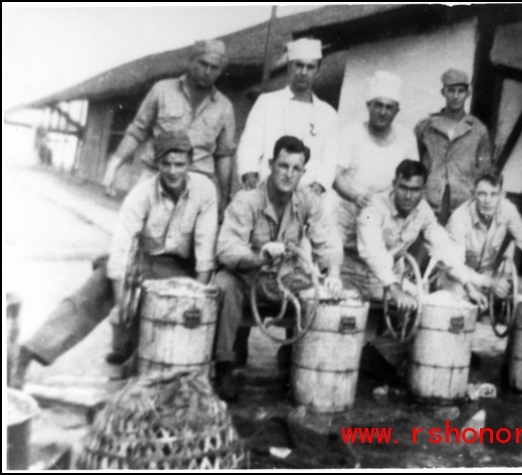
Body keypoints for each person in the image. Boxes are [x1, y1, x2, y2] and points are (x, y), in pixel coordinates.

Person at [13, 131, 219, 387]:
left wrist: (195, 296)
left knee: (181, 312)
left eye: (180, 164)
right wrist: (121, 304)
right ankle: (29, 352)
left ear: (190, 162)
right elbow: (121, 251)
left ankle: (157, 372)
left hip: (180, 269)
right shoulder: (140, 195)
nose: (173, 171)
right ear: (157, 164)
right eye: (166, 164)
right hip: (142, 260)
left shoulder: (205, 190)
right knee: (95, 290)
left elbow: (206, 249)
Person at [214, 135, 343, 401]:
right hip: (248, 278)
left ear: (303, 172)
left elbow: (326, 239)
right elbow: (227, 248)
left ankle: (296, 362)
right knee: (224, 285)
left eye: (296, 169)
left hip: (285, 280)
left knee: (317, 293)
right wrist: (258, 257)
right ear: (271, 164)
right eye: (283, 166)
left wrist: (333, 274)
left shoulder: (308, 200)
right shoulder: (246, 200)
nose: (288, 174)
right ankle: (224, 366)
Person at [102, 39, 235, 218]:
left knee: (191, 243)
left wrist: (224, 198)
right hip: (155, 176)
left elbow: (224, 155)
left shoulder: (224, 107)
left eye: (215, 67)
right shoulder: (162, 90)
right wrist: (114, 165)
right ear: (191, 62)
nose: (208, 71)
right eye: (203, 64)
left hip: (197, 183)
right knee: (133, 228)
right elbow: (137, 131)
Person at [355, 159, 487, 310]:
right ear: (394, 185)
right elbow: (373, 252)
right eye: (403, 188)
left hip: (392, 281)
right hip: (359, 277)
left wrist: (468, 286)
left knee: (428, 303)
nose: (408, 196)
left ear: (424, 191)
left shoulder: (423, 210)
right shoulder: (371, 209)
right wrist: (395, 290)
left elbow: (444, 246)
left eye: (415, 189)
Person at [333, 71, 419, 258]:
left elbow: (413, 179)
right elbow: (336, 176)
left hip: (381, 224)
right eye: (378, 105)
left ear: (397, 110)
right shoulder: (352, 133)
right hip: (345, 218)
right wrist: (355, 197)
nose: (383, 112)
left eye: (389, 107)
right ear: (368, 105)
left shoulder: (406, 139)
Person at [236, 38, 338, 195]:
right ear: (290, 67)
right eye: (299, 65)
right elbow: (250, 142)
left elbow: (330, 158)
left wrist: (319, 185)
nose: (304, 72)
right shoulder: (267, 102)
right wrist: (249, 172)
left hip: (306, 192)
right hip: (266, 186)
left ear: (318, 71)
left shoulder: (328, 114)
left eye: (310, 67)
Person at [444, 168, 522, 299]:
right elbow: (454, 267)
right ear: (473, 194)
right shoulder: (459, 219)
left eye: (493, 194)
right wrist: (489, 283)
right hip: (458, 279)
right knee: (459, 298)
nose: (487, 201)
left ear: (502, 195)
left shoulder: (508, 210)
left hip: (487, 275)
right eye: (482, 194)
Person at [414, 68, 492, 225]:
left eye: (461, 91)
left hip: (462, 200)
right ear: (443, 92)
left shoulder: (478, 130)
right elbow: (415, 163)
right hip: (429, 197)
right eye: (451, 91)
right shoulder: (426, 127)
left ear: (468, 94)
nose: (456, 96)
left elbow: (484, 170)